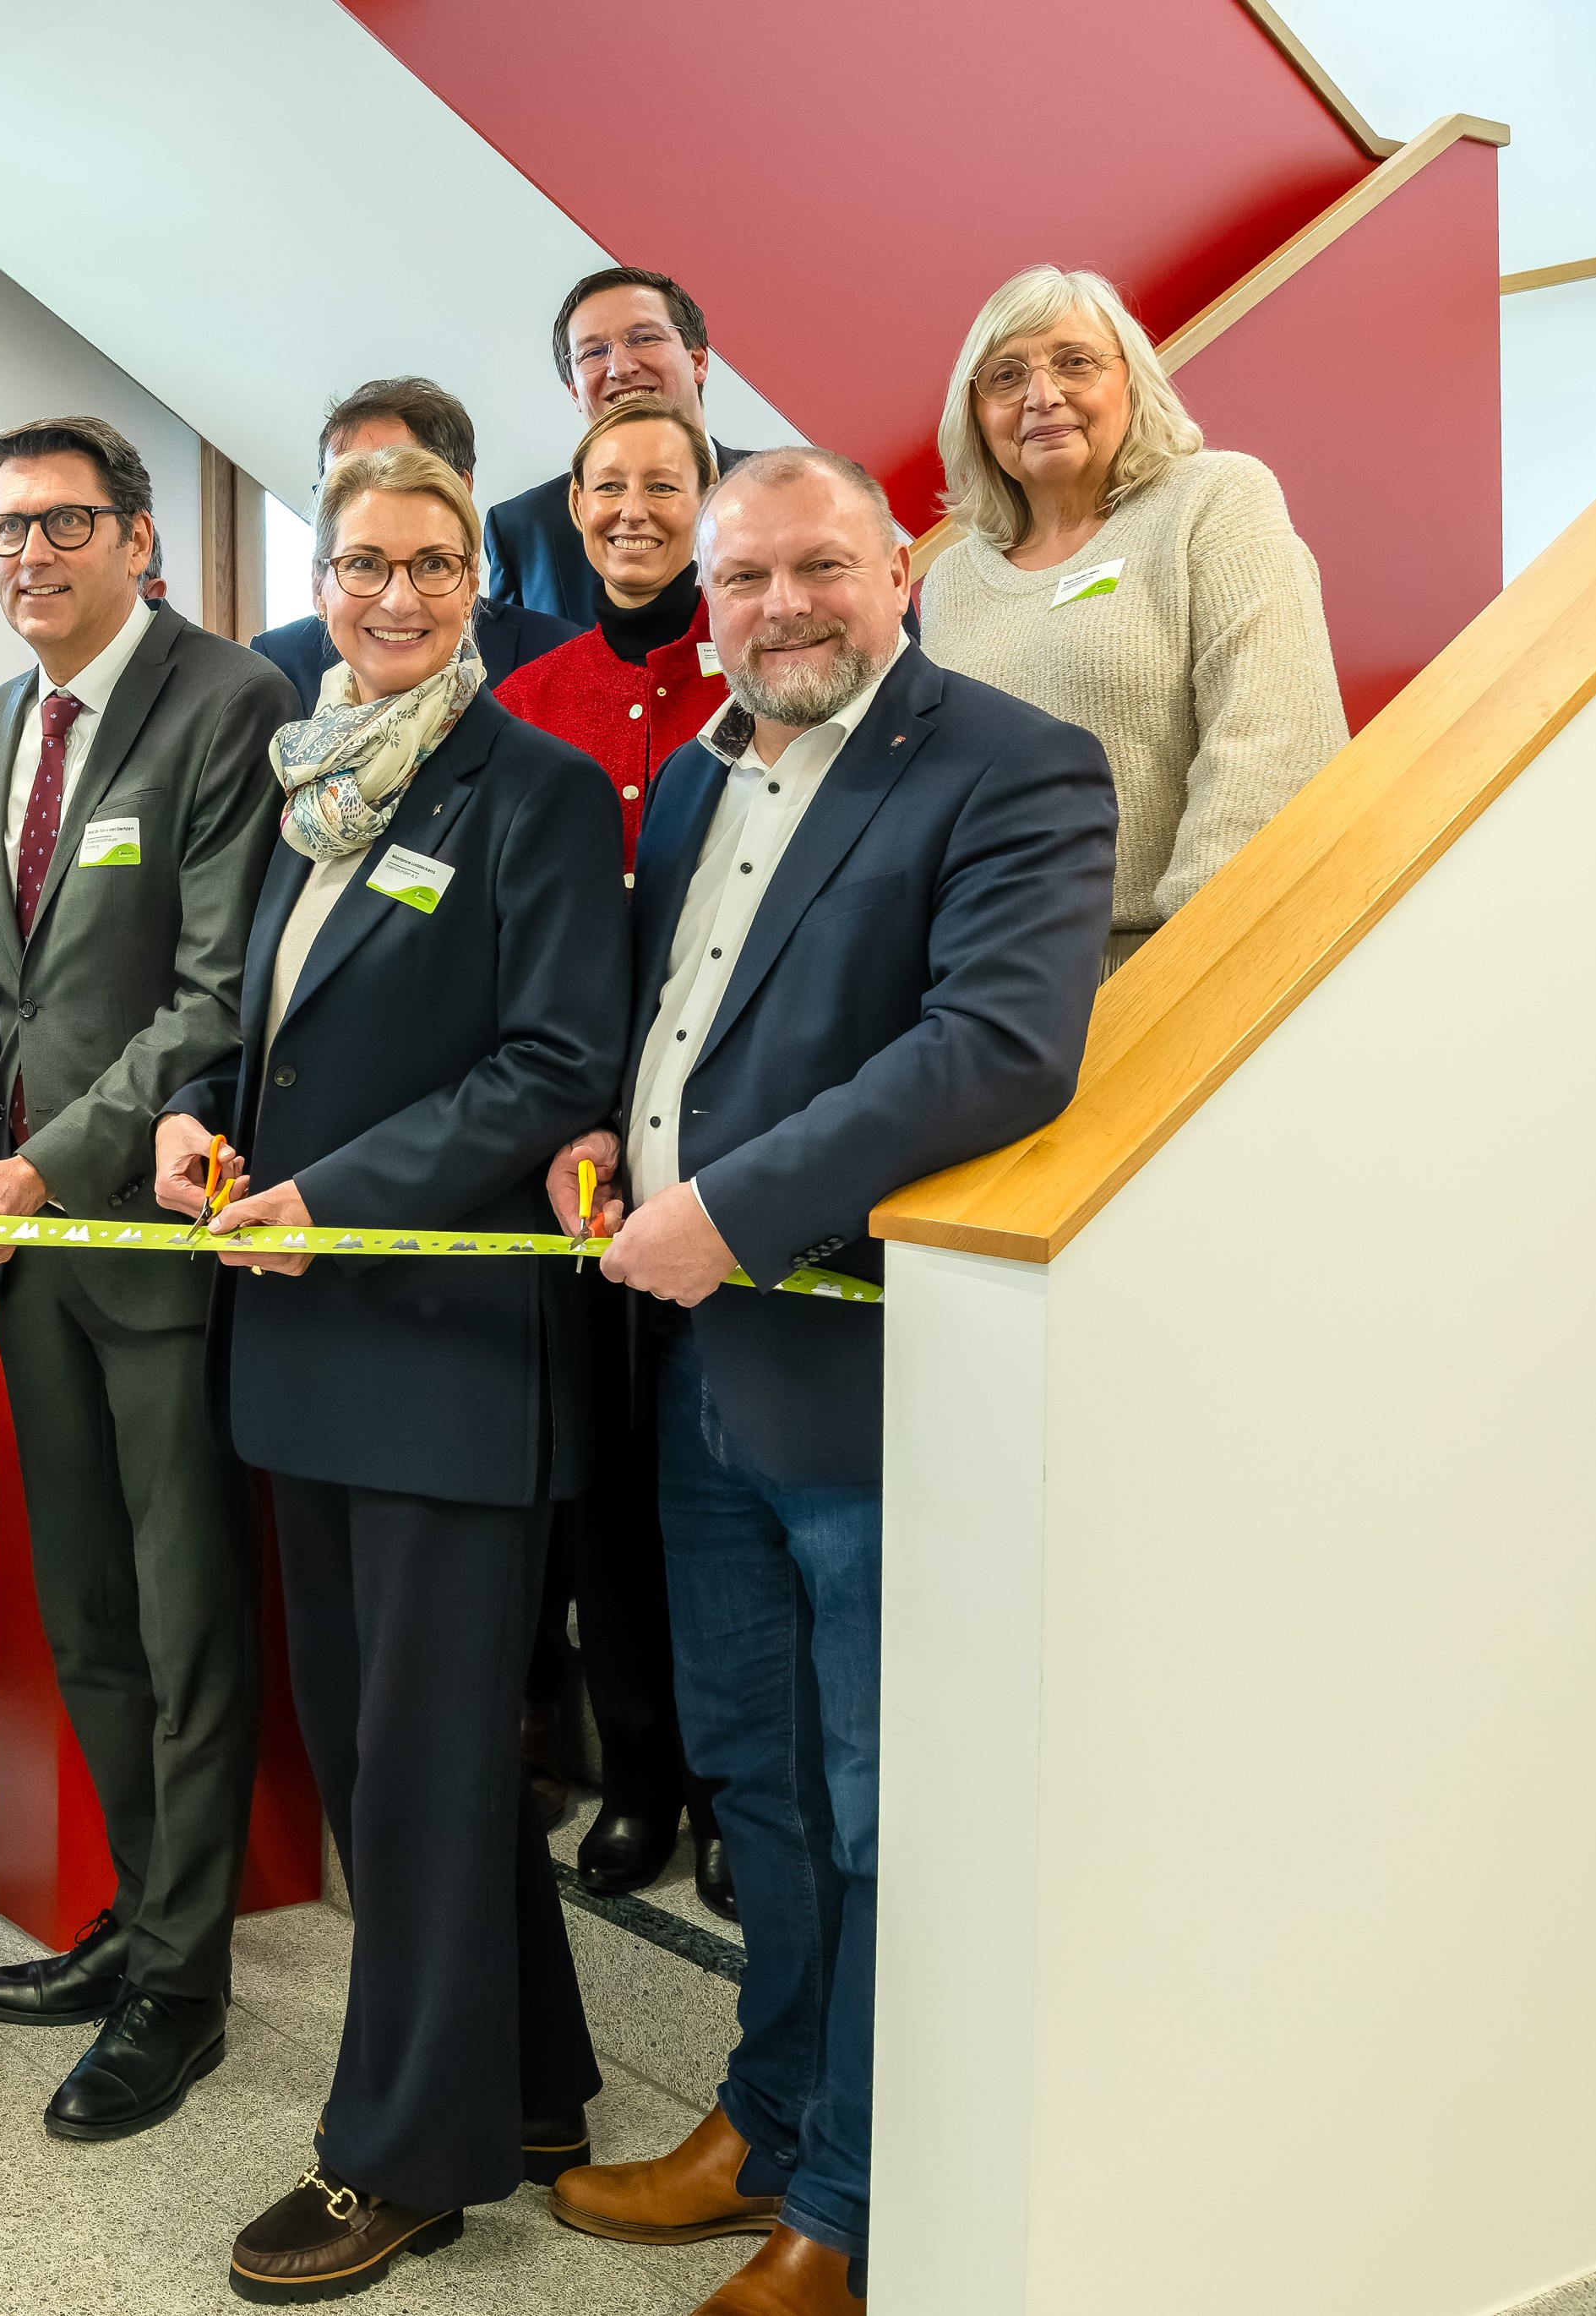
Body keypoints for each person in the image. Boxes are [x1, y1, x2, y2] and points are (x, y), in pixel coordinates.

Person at [541, 450, 1116, 2316]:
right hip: (699, 1361)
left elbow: (994, 1049)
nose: (778, 607)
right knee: (754, 1781)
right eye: (739, 580)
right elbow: (673, 1033)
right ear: (695, 599)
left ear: (899, 565)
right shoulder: (704, 770)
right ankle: (762, 2112)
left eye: (816, 568)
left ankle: (850, 2205)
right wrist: (604, 1153)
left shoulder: (1008, 763)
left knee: (871, 1806)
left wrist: (727, 1202)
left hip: (860, 1369)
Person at [150, 442, 620, 2298]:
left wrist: (325, 1194)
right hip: (307, 1341)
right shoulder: (309, 791)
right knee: (386, 1758)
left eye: (431, 565)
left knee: (416, 1764)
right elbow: (256, 1028)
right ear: (320, 582)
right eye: (361, 566)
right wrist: (196, 1128)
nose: (396, 596)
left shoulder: (537, 792)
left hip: (442, 1349)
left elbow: (549, 1062)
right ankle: (530, 2087)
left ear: (476, 589)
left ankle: (397, 2156)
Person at [0, 414, 291, 2142]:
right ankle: (134, 1918)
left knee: (190, 1615)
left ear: (138, 536)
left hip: (148, 1239)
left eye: (62, 521)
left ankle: (185, 1983)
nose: (27, 554)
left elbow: (213, 993)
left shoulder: (222, 705)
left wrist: (44, 1160)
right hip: (20, 1249)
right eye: (3, 528)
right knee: (88, 1619)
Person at [493, 394, 734, 1907]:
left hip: (730, 1138)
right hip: (576, 1143)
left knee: (717, 1480)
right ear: (571, 510)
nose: (633, 507)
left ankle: (729, 1790)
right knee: (611, 1489)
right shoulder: (529, 697)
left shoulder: (760, 665)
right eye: (606, 486)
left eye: (665, 483)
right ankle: (639, 1772)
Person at [921, 263, 1344, 968]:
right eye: (1004, 377)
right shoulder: (951, 580)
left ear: (1131, 380)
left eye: (1075, 363)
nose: (1041, 396)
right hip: (977, 982)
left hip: (1163, 958)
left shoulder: (1215, 498)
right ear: (974, 413)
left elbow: (1274, 733)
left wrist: (1197, 949)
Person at [250, 378, 579, 714]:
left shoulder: (561, 655)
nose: (369, 494)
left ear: (459, 489)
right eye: (342, 484)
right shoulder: (277, 664)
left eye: (398, 473)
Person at [485, 270, 747, 624]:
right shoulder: (523, 528)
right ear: (574, 391)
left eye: (643, 339)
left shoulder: (788, 492)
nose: (620, 368)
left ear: (698, 361)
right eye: (593, 351)